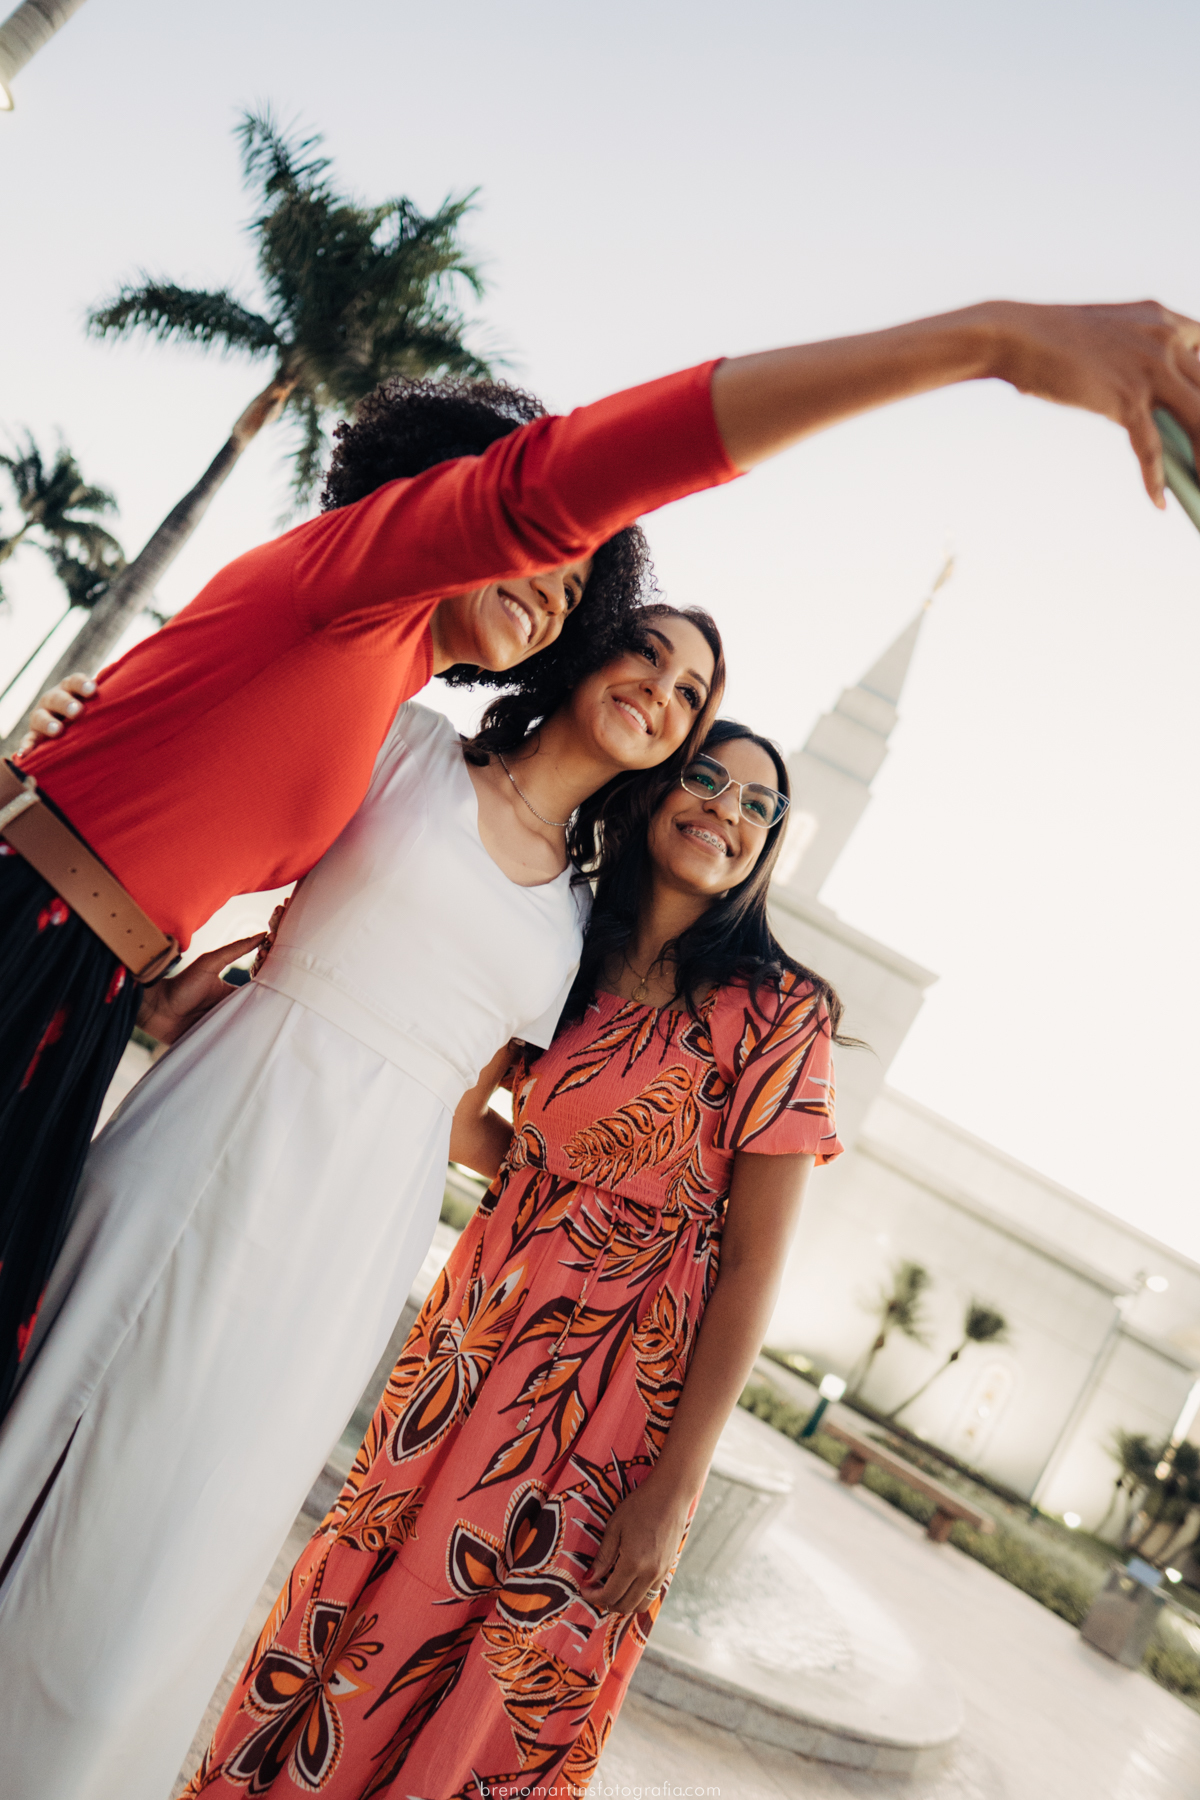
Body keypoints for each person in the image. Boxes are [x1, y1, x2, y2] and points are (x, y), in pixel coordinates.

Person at [4, 298, 1200, 1409]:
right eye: (540, 546)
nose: (550, 584)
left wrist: (154, 955)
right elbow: (570, 473)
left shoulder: (387, 698)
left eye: (577, 585)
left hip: (86, 998)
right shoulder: (361, 579)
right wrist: (985, 341)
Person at [0, 606, 725, 1800]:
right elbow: (224, 792)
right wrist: (92, 730)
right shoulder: (409, 747)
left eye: (692, 691)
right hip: (229, 1097)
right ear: (590, 646)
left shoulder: (585, 919)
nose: (662, 689)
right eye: (648, 652)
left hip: (359, 1216)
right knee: (51, 1387)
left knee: (183, 1517)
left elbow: (486, 1112)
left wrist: (634, 1222)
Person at [188, 718, 844, 1799]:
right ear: (655, 793)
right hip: (477, 1337)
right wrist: (551, 1196)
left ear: (765, 850)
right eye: (707, 779)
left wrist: (675, 1489)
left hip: (625, 1400)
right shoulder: (566, 950)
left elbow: (751, 1274)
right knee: (370, 1602)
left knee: (513, 1664)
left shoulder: (780, 1013)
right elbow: (463, 1117)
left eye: (758, 807)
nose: (727, 809)